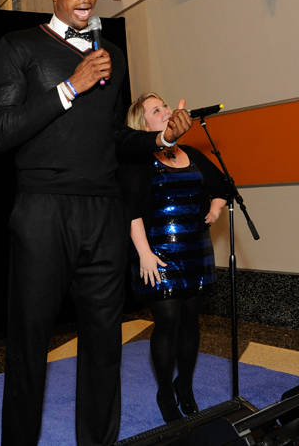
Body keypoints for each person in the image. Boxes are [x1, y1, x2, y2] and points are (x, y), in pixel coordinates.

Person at [0, 0, 191, 445]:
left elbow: (116, 138)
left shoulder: (113, 55)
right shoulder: (18, 46)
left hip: (104, 212)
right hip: (42, 209)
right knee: (29, 345)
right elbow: (0, 132)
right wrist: (69, 87)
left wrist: (161, 141)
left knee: (104, 345)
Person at [118, 92, 230, 423]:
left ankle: (186, 387)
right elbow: (130, 210)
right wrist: (144, 255)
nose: (166, 111)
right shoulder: (138, 161)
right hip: (158, 255)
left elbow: (223, 185)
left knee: (191, 322)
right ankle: (165, 391)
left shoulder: (192, 154)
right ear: (144, 125)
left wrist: (215, 206)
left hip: (196, 252)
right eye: (157, 110)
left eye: (165, 105)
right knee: (167, 321)